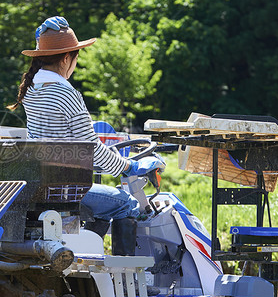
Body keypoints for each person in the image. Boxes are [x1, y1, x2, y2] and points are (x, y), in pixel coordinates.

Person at [11, 16, 164, 255]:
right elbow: (91, 150)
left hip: (40, 183)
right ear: (65, 58)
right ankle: (122, 276)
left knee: (107, 204)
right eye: (75, 57)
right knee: (127, 204)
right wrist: (128, 166)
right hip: (65, 188)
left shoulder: (31, 89)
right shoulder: (66, 93)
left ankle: (89, 256)